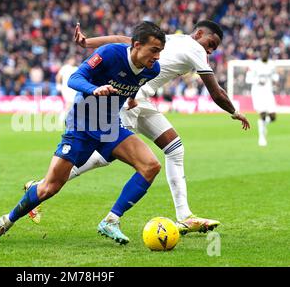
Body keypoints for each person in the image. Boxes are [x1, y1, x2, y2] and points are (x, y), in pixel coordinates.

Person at [26, 20, 251, 235]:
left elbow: (120, 39)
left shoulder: (171, 40)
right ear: (199, 34)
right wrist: (234, 111)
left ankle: (184, 216)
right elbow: (215, 91)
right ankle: (42, 187)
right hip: (129, 99)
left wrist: (88, 42)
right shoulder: (194, 48)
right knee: (106, 156)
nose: (210, 51)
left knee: (174, 148)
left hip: (141, 100)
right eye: (211, 44)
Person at [0, 21, 166, 245]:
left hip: (109, 126)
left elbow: (133, 81)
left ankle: (111, 220)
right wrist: (94, 89)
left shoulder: (152, 69)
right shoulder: (109, 54)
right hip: (82, 123)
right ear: (136, 45)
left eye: (160, 52)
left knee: (150, 166)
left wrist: (132, 97)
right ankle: (4, 223)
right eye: (154, 50)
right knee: (50, 187)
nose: (157, 56)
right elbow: (74, 79)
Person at [245, 48, 278, 146]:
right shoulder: (255, 65)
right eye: (262, 52)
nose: (264, 54)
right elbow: (248, 79)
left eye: (266, 52)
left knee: (273, 117)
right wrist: (257, 81)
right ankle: (262, 138)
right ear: (260, 54)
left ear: (268, 54)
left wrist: (276, 78)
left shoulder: (272, 64)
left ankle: (263, 126)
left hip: (268, 92)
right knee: (262, 114)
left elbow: (274, 76)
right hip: (257, 92)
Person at [56, 56, 78, 123]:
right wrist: (58, 85)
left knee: (72, 104)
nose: (73, 61)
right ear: (69, 60)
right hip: (66, 88)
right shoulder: (65, 68)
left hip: (73, 89)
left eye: (74, 60)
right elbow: (58, 76)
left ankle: (68, 118)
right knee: (69, 103)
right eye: (72, 60)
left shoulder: (76, 68)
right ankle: (61, 118)